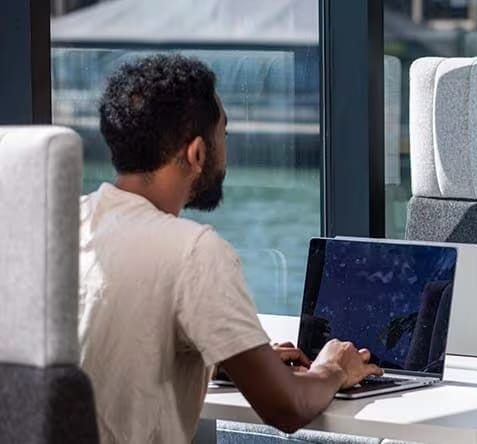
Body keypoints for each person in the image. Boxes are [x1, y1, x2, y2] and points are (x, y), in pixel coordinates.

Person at [78, 54, 381, 444]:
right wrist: (333, 368)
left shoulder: (63, 222)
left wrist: (228, 358)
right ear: (197, 153)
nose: (227, 151)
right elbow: (287, 409)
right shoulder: (194, 251)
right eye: (225, 134)